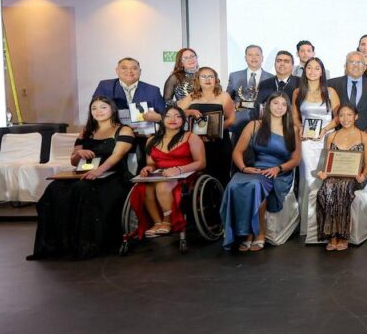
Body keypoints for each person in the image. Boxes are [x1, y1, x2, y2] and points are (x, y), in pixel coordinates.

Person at [28, 96, 136, 260]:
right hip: (84, 173)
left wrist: (98, 171)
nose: (98, 111)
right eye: (94, 108)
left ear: (112, 110)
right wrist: (79, 153)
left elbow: (117, 155)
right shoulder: (86, 131)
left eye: (103, 107)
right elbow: (73, 161)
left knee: (82, 189)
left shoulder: (123, 130)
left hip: (112, 175)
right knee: (54, 188)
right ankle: (56, 245)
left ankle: (84, 245)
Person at [221, 92, 302, 252]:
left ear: (287, 108)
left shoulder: (292, 130)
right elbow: (237, 152)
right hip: (254, 169)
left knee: (255, 186)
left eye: (283, 104)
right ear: (267, 106)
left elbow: (296, 160)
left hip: (279, 173)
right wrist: (244, 168)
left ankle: (258, 233)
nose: (279, 107)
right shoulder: (254, 125)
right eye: (275, 103)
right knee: (233, 185)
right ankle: (244, 233)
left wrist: (278, 168)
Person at [132, 106, 207, 239]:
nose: (173, 119)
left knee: (162, 186)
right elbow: (151, 163)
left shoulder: (191, 137)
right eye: (168, 116)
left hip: (185, 174)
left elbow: (201, 163)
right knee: (144, 187)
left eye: (178, 116)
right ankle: (157, 222)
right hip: (161, 174)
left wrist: (179, 169)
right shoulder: (151, 140)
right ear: (162, 119)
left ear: (183, 120)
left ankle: (167, 221)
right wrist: (148, 168)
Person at [291, 57, 341, 243]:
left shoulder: (330, 91)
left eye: (316, 68)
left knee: (327, 178)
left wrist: (325, 130)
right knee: (309, 180)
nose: (312, 71)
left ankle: (328, 225)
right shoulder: (298, 92)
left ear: (322, 71)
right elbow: (295, 116)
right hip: (307, 142)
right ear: (304, 71)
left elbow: (338, 117)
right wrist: (300, 128)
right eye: (309, 68)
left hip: (327, 139)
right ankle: (310, 227)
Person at [313, 105, 367, 251]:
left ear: (356, 117)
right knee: (326, 188)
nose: (345, 119)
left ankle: (343, 236)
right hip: (334, 176)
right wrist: (323, 173)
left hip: (355, 178)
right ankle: (332, 235)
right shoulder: (331, 136)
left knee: (343, 186)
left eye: (349, 115)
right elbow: (328, 162)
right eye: (341, 115)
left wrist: (363, 175)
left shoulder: (364, 136)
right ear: (338, 118)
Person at [329, 51, 367, 199]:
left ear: (365, 67)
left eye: (359, 62)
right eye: (351, 62)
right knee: (339, 183)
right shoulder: (332, 84)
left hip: (366, 138)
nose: (355, 65)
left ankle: (366, 209)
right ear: (345, 66)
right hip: (340, 142)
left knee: (365, 182)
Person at [178, 66, 236, 183]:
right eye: (203, 76)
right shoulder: (191, 96)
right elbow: (176, 113)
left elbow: (231, 119)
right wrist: (190, 111)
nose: (207, 79)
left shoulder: (224, 96)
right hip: (196, 144)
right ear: (198, 80)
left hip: (219, 143)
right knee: (199, 179)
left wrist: (214, 131)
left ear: (216, 80)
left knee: (221, 177)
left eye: (211, 76)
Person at [92, 57, 164, 124]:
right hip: (113, 131)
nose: (129, 71)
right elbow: (94, 112)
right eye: (124, 68)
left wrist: (158, 118)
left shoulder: (153, 90)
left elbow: (165, 116)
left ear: (140, 71)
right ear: (117, 70)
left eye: (134, 68)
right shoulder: (105, 86)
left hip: (144, 133)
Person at [227, 45, 274, 136]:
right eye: (250, 55)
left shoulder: (271, 78)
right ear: (245, 58)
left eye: (257, 55)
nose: (254, 58)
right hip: (238, 124)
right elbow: (228, 99)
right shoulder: (234, 76)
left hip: (262, 124)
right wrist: (234, 105)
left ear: (262, 58)